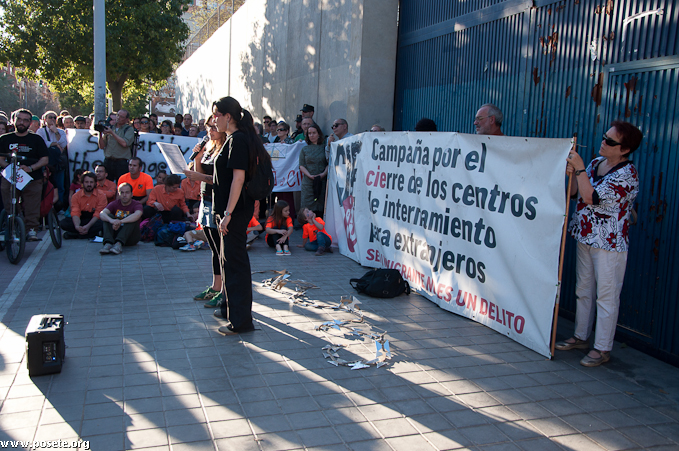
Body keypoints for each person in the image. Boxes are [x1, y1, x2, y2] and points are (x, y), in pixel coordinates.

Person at [556, 121, 642, 367]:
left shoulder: (627, 175)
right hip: (585, 235)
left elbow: (591, 197)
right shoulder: (595, 164)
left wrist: (580, 169)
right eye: (605, 137)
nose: (604, 142)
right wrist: (573, 173)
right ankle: (581, 336)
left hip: (609, 243)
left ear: (624, 149)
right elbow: (576, 194)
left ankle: (602, 347)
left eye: (611, 141)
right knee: (583, 289)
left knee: (606, 296)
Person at [212, 96, 270, 334]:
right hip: (230, 211)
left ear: (228, 116)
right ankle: (229, 308)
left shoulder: (238, 140)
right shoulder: (234, 139)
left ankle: (241, 321)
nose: (214, 120)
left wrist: (228, 214)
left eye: (216, 115)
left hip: (234, 212)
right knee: (228, 262)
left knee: (236, 265)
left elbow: (238, 178)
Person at [183, 115, 226, 308]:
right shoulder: (209, 147)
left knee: (222, 249)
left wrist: (200, 176)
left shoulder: (226, 149)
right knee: (213, 248)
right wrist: (198, 157)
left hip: (219, 202)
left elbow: (221, 180)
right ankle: (215, 286)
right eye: (208, 127)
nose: (210, 130)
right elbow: (199, 175)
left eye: (214, 127)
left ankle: (225, 290)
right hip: (206, 199)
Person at [0, 109, 49, 241]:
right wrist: (11, 168)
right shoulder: (4, 139)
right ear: (14, 121)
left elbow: (44, 159)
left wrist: (30, 168)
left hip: (32, 178)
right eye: (19, 119)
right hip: (11, 177)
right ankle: (12, 224)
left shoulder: (36, 139)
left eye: (25, 120)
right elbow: (0, 159)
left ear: (30, 123)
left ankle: (31, 230)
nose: (22, 122)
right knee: (9, 200)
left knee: (32, 205)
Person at [99, 182, 143, 255]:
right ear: (119, 194)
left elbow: (137, 214)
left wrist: (121, 222)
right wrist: (112, 221)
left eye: (127, 192)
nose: (124, 195)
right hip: (116, 233)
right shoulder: (114, 203)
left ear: (131, 194)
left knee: (132, 218)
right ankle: (108, 243)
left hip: (131, 237)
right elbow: (102, 214)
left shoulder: (136, 204)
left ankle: (119, 244)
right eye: (122, 193)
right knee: (108, 216)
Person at [61, 171, 107, 239]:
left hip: (93, 219)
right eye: (86, 182)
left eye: (91, 182)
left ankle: (75, 235)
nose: (89, 184)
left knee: (103, 223)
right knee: (63, 223)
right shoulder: (76, 196)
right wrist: (77, 226)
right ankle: (90, 234)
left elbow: (98, 214)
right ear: (82, 183)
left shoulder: (101, 195)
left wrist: (87, 226)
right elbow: (75, 212)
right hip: (81, 218)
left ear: (95, 183)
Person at [37, 111, 68, 206]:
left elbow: (63, 144)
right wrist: (54, 144)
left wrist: (56, 132)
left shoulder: (61, 132)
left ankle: (59, 206)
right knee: (47, 185)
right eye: (50, 117)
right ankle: (46, 205)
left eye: (54, 117)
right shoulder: (40, 131)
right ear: (45, 119)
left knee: (60, 185)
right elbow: (41, 144)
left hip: (59, 163)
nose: (52, 119)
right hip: (47, 163)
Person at [299, 123, 328, 218]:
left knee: (320, 206)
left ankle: (320, 225)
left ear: (318, 134)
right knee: (307, 207)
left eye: (314, 133)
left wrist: (323, 174)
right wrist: (310, 175)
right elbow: (301, 165)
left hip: (321, 181)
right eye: (309, 133)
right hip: (308, 182)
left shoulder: (324, 148)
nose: (311, 135)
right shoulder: (304, 149)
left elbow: (329, 164)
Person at [99, 109, 135, 181]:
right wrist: (100, 133)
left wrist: (112, 133)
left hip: (121, 162)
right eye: (118, 115)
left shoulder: (129, 129)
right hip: (108, 161)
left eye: (122, 117)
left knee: (121, 183)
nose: (118, 118)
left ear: (127, 119)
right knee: (107, 184)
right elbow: (101, 146)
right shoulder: (110, 127)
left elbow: (125, 143)